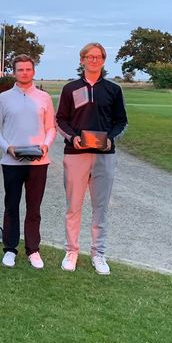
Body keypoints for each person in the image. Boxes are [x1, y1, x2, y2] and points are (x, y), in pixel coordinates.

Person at [56, 42, 128, 275]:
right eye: (90, 56)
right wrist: (73, 137)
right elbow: (61, 120)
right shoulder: (70, 88)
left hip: (104, 156)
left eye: (98, 57)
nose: (94, 60)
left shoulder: (113, 89)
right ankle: (71, 251)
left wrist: (110, 139)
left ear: (103, 61)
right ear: (82, 60)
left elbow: (121, 121)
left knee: (100, 207)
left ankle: (98, 253)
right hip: (76, 154)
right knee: (73, 206)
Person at [0, 55, 56, 270]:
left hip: (38, 161)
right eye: (20, 69)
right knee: (11, 206)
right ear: (14, 72)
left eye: (28, 69)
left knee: (34, 208)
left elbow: (51, 128)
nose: (24, 73)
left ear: (33, 72)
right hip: (12, 161)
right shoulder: (4, 98)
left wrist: (45, 145)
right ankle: (10, 248)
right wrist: (7, 147)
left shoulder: (44, 97)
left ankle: (33, 250)